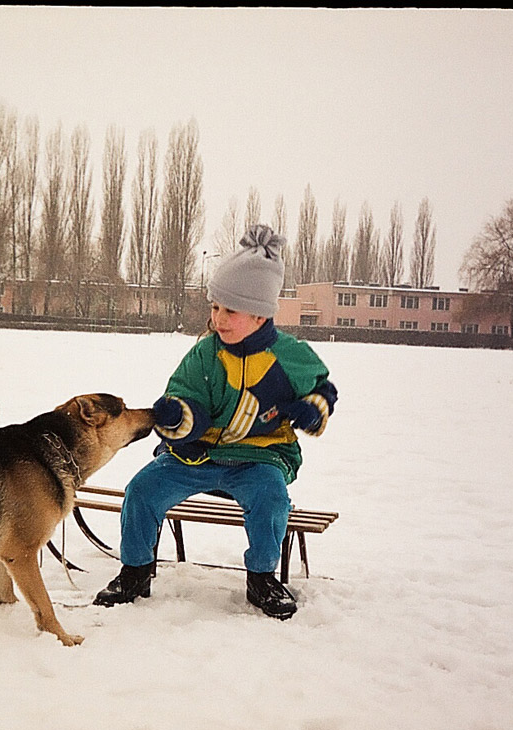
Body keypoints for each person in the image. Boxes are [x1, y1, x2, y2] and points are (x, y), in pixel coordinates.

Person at [94, 224, 338, 619]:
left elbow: (323, 389)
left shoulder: (290, 356)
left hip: (259, 458)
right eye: (215, 307)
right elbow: (185, 397)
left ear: (260, 315)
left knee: (271, 499)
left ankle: (262, 578)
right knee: (141, 490)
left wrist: (311, 408)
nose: (218, 318)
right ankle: (135, 571)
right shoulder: (205, 355)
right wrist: (177, 415)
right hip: (196, 457)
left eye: (230, 310)